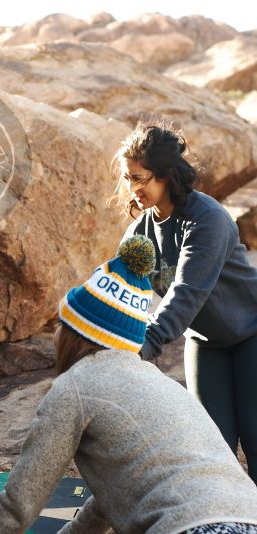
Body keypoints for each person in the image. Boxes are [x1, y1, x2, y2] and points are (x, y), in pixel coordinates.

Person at [0, 235, 257, 534]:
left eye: (60, 324)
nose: (55, 334)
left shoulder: (76, 386)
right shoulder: (161, 384)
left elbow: (19, 505)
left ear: (77, 333)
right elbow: (112, 498)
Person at [113, 122, 257, 482]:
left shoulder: (207, 219)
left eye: (140, 178)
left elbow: (186, 291)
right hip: (206, 343)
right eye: (128, 178)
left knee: (255, 434)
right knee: (213, 447)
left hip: (252, 333)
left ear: (166, 175)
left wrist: (148, 342)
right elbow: (122, 291)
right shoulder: (140, 233)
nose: (133, 188)